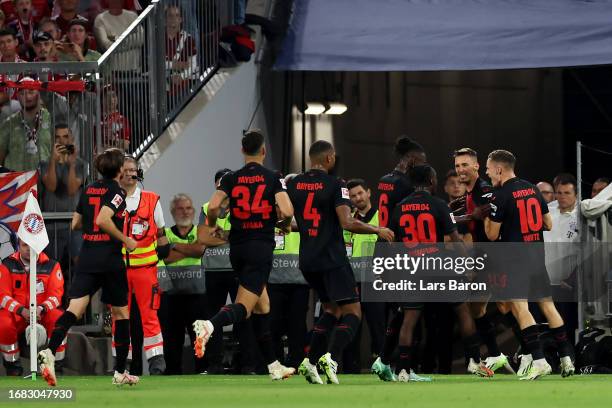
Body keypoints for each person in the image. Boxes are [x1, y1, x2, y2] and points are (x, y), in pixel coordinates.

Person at [287, 140, 394, 385]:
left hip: (308, 261)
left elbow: (286, 220)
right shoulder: (336, 184)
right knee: (353, 313)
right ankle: (331, 357)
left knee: (330, 310)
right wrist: (376, 229)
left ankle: (310, 362)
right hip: (332, 260)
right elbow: (347, 222)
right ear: (329, 158)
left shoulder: (294, 184)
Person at [192, 129, 296, 381]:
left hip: (237, 248)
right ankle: (209, 325)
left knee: (263, 305)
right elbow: (286, 209)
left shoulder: (230, 178)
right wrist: (284, 222)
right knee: (244, 308)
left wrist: (214, 223)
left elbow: (214, 206)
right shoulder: (273, 177)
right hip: (260, 247)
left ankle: (273, 365)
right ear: (263, 151)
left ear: (242, 151)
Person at [373, 165, 492, 382]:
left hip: (411, 269)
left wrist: (382, 271)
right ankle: (475, 361)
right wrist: (468, 265)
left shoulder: (399, 207)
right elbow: (455, 240)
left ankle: (403, 370)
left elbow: (386, 241)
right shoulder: (438, 205)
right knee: (463, 311)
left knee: (409, 319)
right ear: (430, 180)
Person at [38, 148, 138, 387]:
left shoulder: (89, 188)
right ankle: (120, 372)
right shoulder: (117, 192)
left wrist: (92, 234)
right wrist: (125, 239)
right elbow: (103, 219)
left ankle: (50, 352)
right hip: (110, 260)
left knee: (74, 309)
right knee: (121, 313)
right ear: (119, 170)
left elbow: (75, 223)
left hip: (88, 257)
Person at [484, 149, 575, 380]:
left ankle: (539, 360)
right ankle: (567, 360)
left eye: (488, 168)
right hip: (537, 257)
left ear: (499, 169)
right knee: (548, 307)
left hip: (515, 259)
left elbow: (492, 235)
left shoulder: (500, 195)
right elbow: (548, 224)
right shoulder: (533, 189)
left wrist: (486, 215)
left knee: (520, 308)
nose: (487, 173)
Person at [452, 147, 511, 373]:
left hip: (490, 257)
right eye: (458, 166)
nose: (461, 170)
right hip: (483, 257)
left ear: (477, 166)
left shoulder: (483, 190)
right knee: (478, 309)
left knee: (508, 307)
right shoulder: (470, 191)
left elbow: (491, 216)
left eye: (465, 165)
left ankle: (528, 355)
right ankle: (495, 355)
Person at [115, 156, 169, 375]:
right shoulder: (111, 200)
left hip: (147, 270)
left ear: (138, 172)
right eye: (125, 170)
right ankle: (121, 363)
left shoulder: (152, 199)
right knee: (120, 318)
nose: (129, 173)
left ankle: (156, 362)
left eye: (132, 169)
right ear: (118, 173)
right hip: (118, 271)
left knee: (150, 316)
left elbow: (163, 236)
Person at [158, 193, 209, 375]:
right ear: (172, 211)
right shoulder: (166, 233)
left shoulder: (199, 232)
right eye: (180, 208)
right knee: (172, 339)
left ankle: (202, 371)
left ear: (194, 211)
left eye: (188, 208)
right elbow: (167, 257)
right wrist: (190, 249)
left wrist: (175, 246)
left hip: (197, 295)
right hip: (171, 296)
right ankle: (173, 373)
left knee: (200, 337)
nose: (185, 212)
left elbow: (200, 250)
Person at [0, 239, 66, 376]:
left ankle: (54, 365)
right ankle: (13, 367)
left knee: (59, 319)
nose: (29, 249)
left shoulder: (52, 265)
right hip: (17, 314)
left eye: (32, 246)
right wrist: (21, 310)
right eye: (25, 245)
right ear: (18, 245)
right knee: (3, 322)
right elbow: (3, 296)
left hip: (42, 314)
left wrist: (41, 309)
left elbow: (56, 297)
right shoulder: (7, 264)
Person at [343, 178, 386, 367]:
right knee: (353, 328)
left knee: (378, 327)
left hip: (375, 282)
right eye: (353, 196)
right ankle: (349, 368)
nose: (357, 198)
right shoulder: (348, 221)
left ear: (369, 192)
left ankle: (383, 365)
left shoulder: (381, 218)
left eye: (360, 193)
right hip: (353, 283)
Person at [40, 124, 85, 275]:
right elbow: (51, 186)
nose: (62, 141)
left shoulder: (79, 164)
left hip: (74, 226)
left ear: (71, 139)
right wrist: (53, 160)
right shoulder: (45, 163)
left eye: (65, 137)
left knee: (81, 267)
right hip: (51, 227)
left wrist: (71, 164)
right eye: (57, 137)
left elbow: (72, 189)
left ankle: (77, 297)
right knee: (52, 269)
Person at [544, 174, 579, 340]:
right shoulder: (547, 211)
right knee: (544, 328)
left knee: (567, 329)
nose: (562, 197)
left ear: (576, 194)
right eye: (559, 192)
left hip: (567, 286)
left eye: (567, 193)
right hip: (544, 283)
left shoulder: (583, 216)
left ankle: (570, 362)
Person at [0, 81, 52, 172]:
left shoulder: (51, 120)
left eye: (31, 92)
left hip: (44, 179)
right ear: (18, 97)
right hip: (16, 181)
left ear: (38, 93)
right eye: (22, 93)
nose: (27, 97)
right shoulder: (9, 124)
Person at [376, 136, 426, 228]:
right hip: (397, 238)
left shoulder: (383, 180)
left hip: (383, 236)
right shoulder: (406, 184)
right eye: (422, 162)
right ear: (411, 159)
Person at [99, 87, 130, 152]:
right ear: (102, 100)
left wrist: (106, 146)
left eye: (113, 96)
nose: (111, 99)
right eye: (107, 96)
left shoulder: (122, 119)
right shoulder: (97, 119)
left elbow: (126, 145)